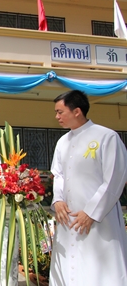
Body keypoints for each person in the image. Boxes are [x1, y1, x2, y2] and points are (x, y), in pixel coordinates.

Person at [49, 90, 127, 286]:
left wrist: (91, 212)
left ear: (76, 111)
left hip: (100, 220)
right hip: (68, 217)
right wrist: (57, 200)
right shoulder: (62, 142)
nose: (57, 116)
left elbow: (114, 179)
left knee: (98, 269)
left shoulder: (106, 137)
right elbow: (58, 175)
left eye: (60, 112)